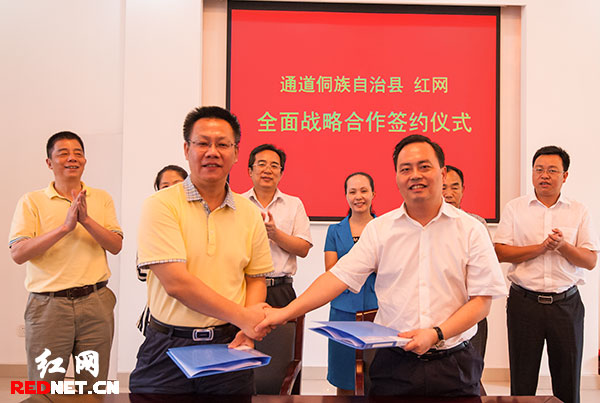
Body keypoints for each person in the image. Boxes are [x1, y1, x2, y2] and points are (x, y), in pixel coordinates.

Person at [257, 134, 507, 396]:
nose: (415, 175)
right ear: (396, 176)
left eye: (424, 166)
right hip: (395, 363)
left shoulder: (470, 229)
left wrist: (436, 334)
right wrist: (284, 313)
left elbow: (482, 302)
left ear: (442, 174)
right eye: (405, 169)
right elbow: (336, 278)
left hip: (453, 363)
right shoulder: (380, 229)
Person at [129, 106, 274, 394]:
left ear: (236, 152)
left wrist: (246, 331)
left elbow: (256, 278)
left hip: (230, 345)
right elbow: (176, 283)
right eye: (203, 143)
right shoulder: (160, 205)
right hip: (168, 347)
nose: (212, 152)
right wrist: (244, 317)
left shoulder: (249, 212)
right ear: (187, 149)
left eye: (222, 144)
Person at [9, 131, 123, 392]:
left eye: (77, 153)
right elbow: (18, 253)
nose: (72, 158)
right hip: (48, 306)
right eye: (63, 153)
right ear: (49, 162)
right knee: (44, 388)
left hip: (96, 303)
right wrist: (65, 228)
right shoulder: (31, 201)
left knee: (92, 387)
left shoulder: (101, 198)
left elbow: (116, 246)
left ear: (84, 160)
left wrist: (86, 220)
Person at [494, 146, 599, 403]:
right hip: (524, 304)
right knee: (522, 381)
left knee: (568, 380)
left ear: (565, 176)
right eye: (539, 169)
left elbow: (590, 260)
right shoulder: (515, 208)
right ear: (532, 173)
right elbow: (500, 252)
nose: (544, 175)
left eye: (552, 170)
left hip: (566, 305)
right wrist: (541, 248)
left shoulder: (579, 210)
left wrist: (563, 246)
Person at [324, 172, 378, 394]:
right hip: (342, 312)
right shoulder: (334, 231)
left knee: (378, 376)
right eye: (352, 191)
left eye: (364, 190)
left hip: (378, 310)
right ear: (346, 195)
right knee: (344, 377)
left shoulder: (384, 228)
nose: (358, 196)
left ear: (373, 194)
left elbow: (393, 269)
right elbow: (331, 271)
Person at [242, 144, 312, 307]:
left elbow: (303, 249)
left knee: (284, 325)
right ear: (250, 171)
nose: (267, 170)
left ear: (281, 173)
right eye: (261, 164)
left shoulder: (294, 204)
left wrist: (274, 234)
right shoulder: (238, 204)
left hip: (280, 290)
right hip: (244, 287)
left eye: (274, 166)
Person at [442, 164, 490, 360]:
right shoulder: (424, 226)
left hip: (472, 310)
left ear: (463, 189)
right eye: (443, 187)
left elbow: (485, 272)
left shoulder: (477, 225)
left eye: (454, 187)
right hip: (439, 312)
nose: (448, 193)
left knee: (473, 365)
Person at [137, 165, 189, 334]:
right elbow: (142, 274)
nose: (171, 190)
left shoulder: (200, 218)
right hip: (160, 317)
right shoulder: (153, 222)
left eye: (177, 184)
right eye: (165, 186)